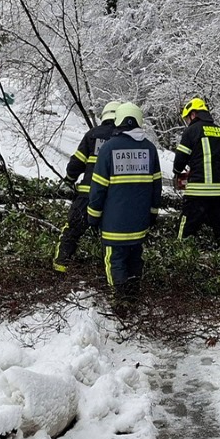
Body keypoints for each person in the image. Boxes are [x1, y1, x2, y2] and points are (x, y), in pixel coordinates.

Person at [86, 102, 163, 306]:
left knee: (115, 262)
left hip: (114, 225)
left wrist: (93, 217)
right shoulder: (150, 149)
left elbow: (98, 187)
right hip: (139, 224)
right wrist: (152, 213)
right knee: (135, 259)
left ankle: (121, 302)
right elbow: (157, 186)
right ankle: (133, 296)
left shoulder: (109, 147)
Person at [52, 100, 120, 273]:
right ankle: (107, 272)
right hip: (114, 198)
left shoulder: (92, 135)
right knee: (111, 236)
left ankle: (60, 267)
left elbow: (76, 164)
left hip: (87, 196)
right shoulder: (124, 138)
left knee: (73, 230)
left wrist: (69, 179)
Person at [172, 97, 220, 243]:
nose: (187, 121)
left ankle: (182, 257)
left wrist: (178, 172)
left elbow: (180, 160)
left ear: (193, 114)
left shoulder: (191, 131)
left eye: (187, 118)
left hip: (198, 193)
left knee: (186, 231)